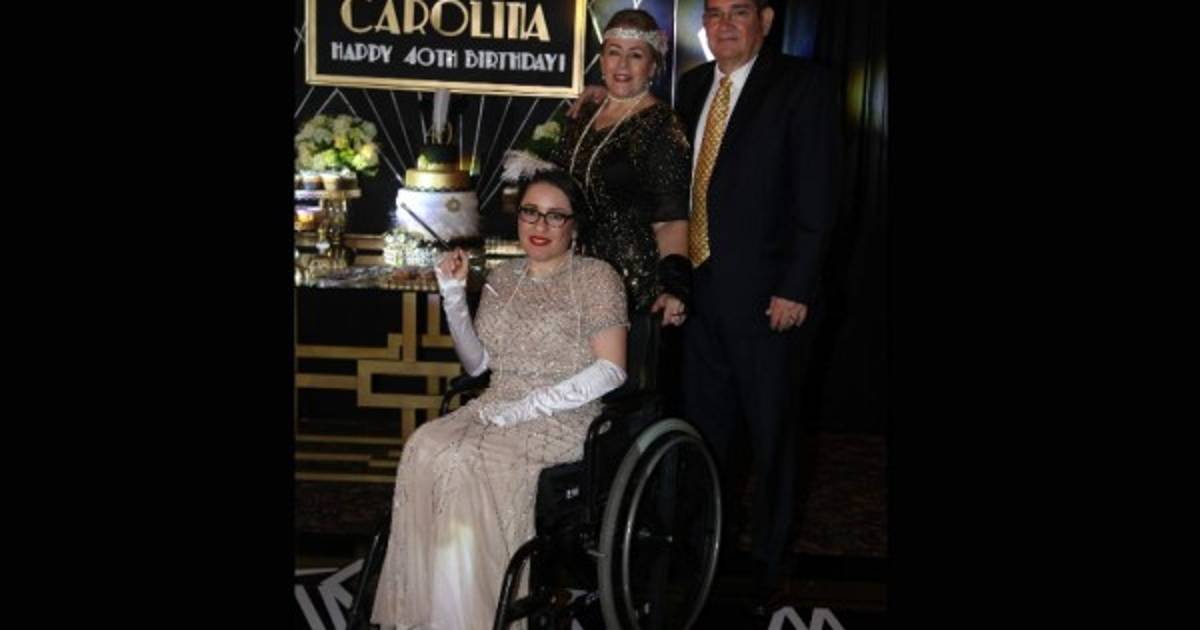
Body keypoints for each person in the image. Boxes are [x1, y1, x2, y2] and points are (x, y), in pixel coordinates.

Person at [371, 170, 629, 629]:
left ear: (574, 226)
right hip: (496, 403)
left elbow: (611, 369)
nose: (540, 225)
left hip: (564, 416)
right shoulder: (503, 276)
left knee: (467, 461)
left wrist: (530, 407)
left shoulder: (597, 277)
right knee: (423, 446)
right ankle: (430, 610)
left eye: (555, 216)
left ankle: (472, 615)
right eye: (531, 212)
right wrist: (453, 294)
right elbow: (477, 365)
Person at [677, 0, 839, 614]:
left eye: (738, 12)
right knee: (707, 435)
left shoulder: (803, 86)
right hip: (698, 298)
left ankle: (772, 565)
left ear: (765, 22)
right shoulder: (693, 86)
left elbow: (819, 195)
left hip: (770, 302)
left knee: (773, 438)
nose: (723, 25)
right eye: (714, 13)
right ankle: (709, 553)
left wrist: (797, 287)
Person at [550, 9, 692, 328]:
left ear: (653, 66)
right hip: (571, 276)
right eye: (614, 53)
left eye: (636, 55)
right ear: (602, 61)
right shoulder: (583, 113)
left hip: (630, 286)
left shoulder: (663, 124)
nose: (622, 65)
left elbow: (671, 219)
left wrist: (673, 287)